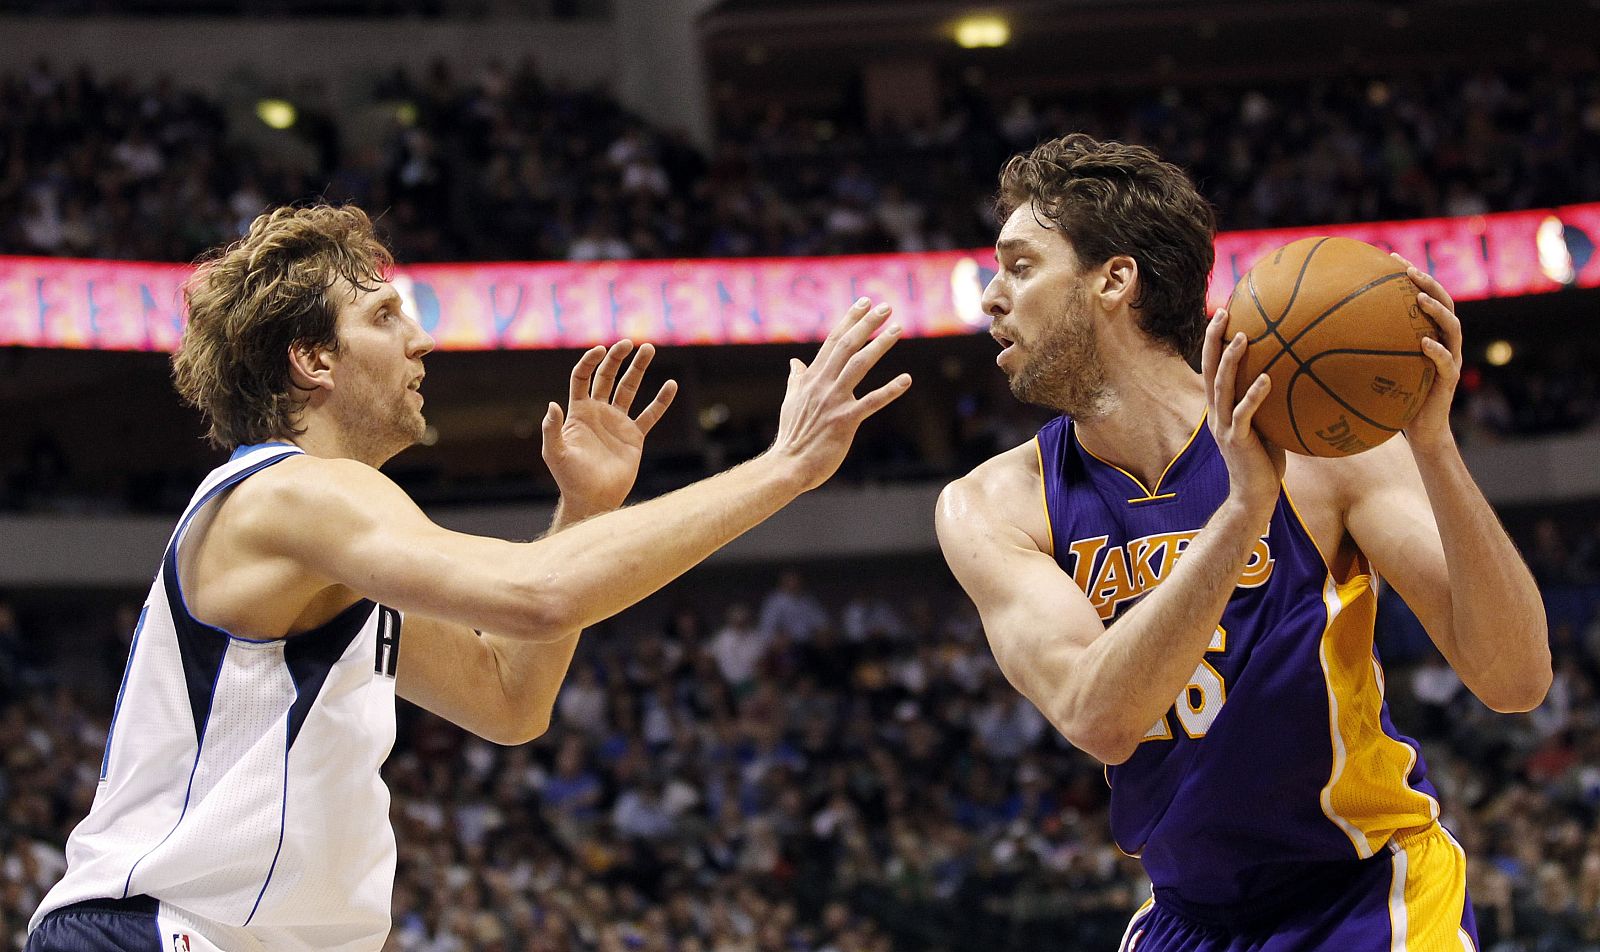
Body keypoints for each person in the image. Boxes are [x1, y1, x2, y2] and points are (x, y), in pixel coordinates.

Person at [27, 204, 911, 952]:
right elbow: (540, 592)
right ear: (313, 360)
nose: (419, 343)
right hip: (151, 930)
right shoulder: (289, 496)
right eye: (383, 318)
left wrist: (588, 510)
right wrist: (784, 468)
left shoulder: (335, 547)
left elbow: (508, 701)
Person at [935, 133, 1550, 950]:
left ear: (1114, 280)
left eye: (1019, 266)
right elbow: (1099, 716)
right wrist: (1238, 520)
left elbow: (1515, 680)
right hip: (1190, 916)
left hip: (1367, 889)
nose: (990, 297)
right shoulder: (993, 506)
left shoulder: (1326, 450)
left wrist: (1433, 448)